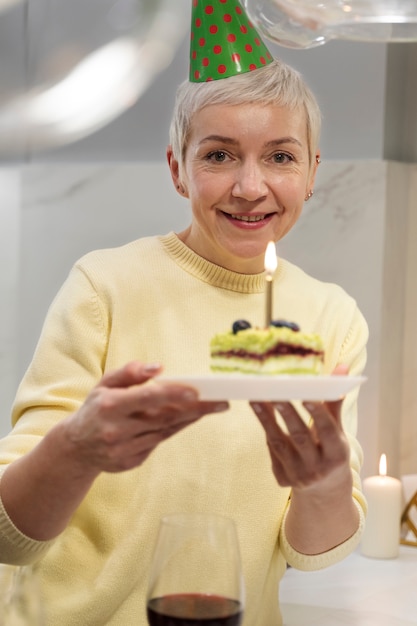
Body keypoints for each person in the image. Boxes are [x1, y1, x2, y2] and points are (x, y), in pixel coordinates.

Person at [0, 1, 368, 624]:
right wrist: (78, 449)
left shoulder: (331, 318)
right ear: (178, 169)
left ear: (311, 174)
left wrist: (324, 483)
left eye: (280, 156)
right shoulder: (104, 285)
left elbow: (314, 553)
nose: (251, 187)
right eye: (220, 155)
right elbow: (10, 535)